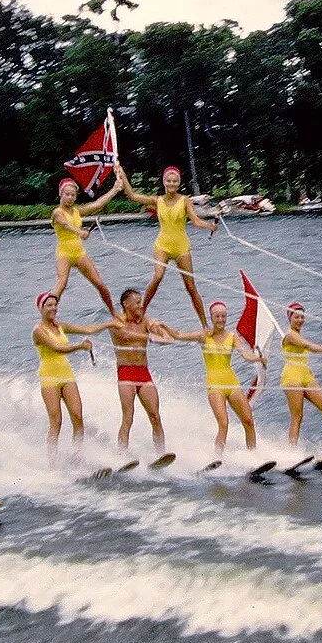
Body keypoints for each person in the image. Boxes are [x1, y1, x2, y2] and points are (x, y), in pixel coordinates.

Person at [115, 163, 218, 327]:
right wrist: (123, 175)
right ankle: (141, 312)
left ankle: (205, 325)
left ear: (179, 183)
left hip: (181, 247)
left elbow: (196, 221)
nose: (172, 184)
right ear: (164, 182)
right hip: (162, 245)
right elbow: (132, 196)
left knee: (191, 287)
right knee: (158, 276)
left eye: (175, 181)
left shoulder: (184, 200)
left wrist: (209, 226)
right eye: (169, 181)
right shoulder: (157, 200)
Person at [168, 300, 266, 454]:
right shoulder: (204, 336)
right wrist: (161, 326)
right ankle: (218, 458)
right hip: (215, 386)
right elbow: (179, 336)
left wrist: (257, 358)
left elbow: (245, 354)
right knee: (224, 424)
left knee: (248, 421)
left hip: (231, 383)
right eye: (217, 316)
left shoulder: (232, 337)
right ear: (211, 318)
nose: (220, 319)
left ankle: (253, 456)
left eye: (223, 316)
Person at [32, 291, 116, 461]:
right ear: (41, 309)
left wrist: (110, 324)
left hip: (67, 375)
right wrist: (80, 347)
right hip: (49, 378)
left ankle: (78, 458)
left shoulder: (59, 326)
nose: (53, 308)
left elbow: (87, 329)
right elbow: (57, 348)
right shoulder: (38, 331)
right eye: (49, 305)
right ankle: (52, 463)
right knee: (56, 422)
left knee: (77, 417)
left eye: (55, 305)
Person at [108, 287, 175, 453]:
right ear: (126, 304)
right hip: (125, 373)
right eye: (137, 303)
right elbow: (126, 336)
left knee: (155, 416)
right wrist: (149, 337)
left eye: (141, 302)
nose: (141, 305)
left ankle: (161, 454)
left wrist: (160, 331)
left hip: (143, 373)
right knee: (128, 416)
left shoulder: (146, 321)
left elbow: (167, 339)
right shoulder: (117, 322)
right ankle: (121, 454)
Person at [51, 176, 123, 314]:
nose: (70, 197)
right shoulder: (57, 212)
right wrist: (80, 232)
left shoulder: (77, 211)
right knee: (62, 283)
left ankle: (114, 313)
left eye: (73, 195)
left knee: (99, 283)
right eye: (67, 194)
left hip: (79, 253)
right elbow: (65, 225)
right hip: (64, 253)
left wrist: (114, 190)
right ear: (61, 194)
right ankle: (49, 315)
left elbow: (97, 205)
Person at [279, 302, 322, 448]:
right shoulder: (290, 336)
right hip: (291, 378)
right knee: (297, 416)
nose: (300, 320)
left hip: (306, 376)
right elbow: (307, 346)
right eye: (296, 317)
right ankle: (291, 452)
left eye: (302, 317)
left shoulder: (299, 335)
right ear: (290, 318)